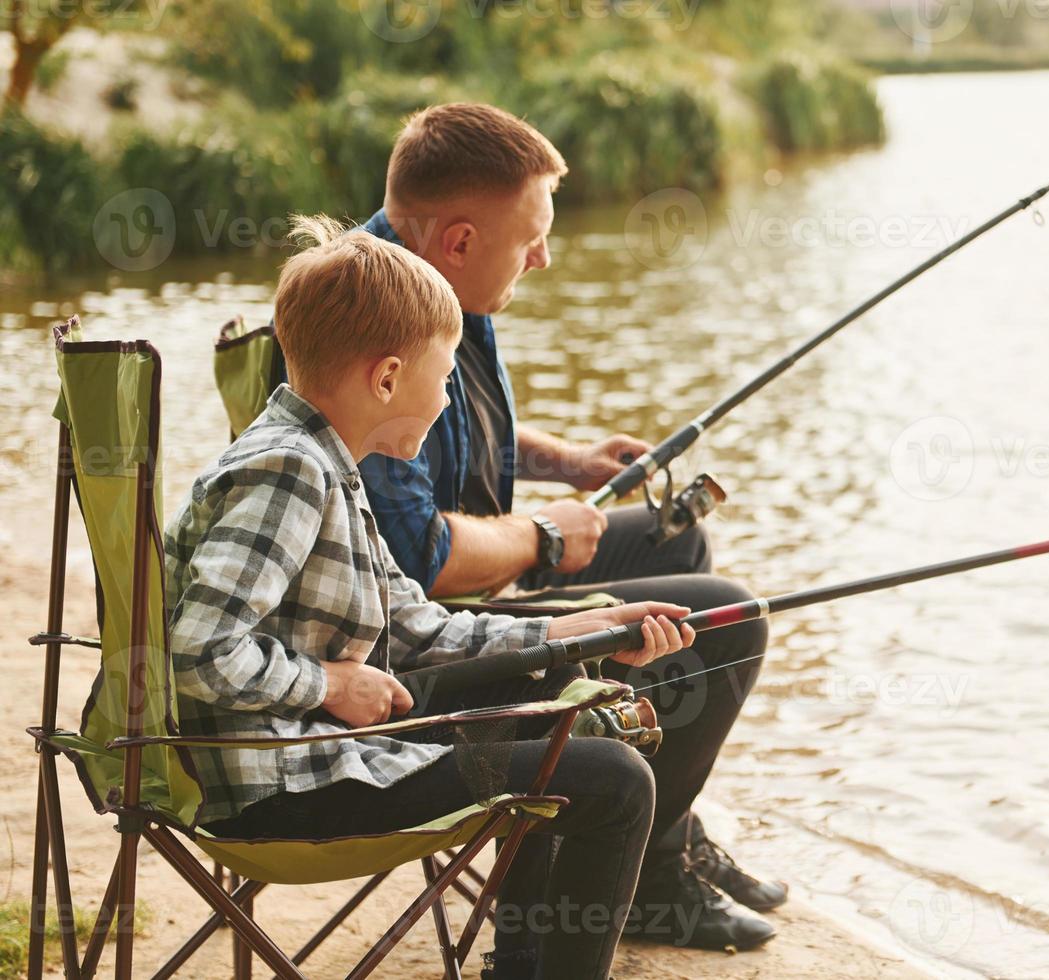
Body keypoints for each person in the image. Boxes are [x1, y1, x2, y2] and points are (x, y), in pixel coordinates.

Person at [166, 216, 696, 980]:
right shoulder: (289, 472)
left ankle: (521, 967)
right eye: (443, 376)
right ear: (386, 378)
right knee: (615, 781)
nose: (447, 399)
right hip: (288, 786)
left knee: (555, 700)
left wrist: (572, 632)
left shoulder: (323, 461)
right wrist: (328, 684)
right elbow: (199, 648)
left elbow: (418, 624)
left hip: (312, 757)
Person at [354, 103, 784, 950]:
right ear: (461, 241)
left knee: (674, 539)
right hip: (422, 640)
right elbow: (419, 560)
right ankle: (651, 869)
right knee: (730, 620)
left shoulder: (438, 280)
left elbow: (465, 425)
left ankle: (668, 831)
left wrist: (569, 462)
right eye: (531, 239)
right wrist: (544, 538)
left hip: (458, 588)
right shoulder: (383, 322)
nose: (545, 256)